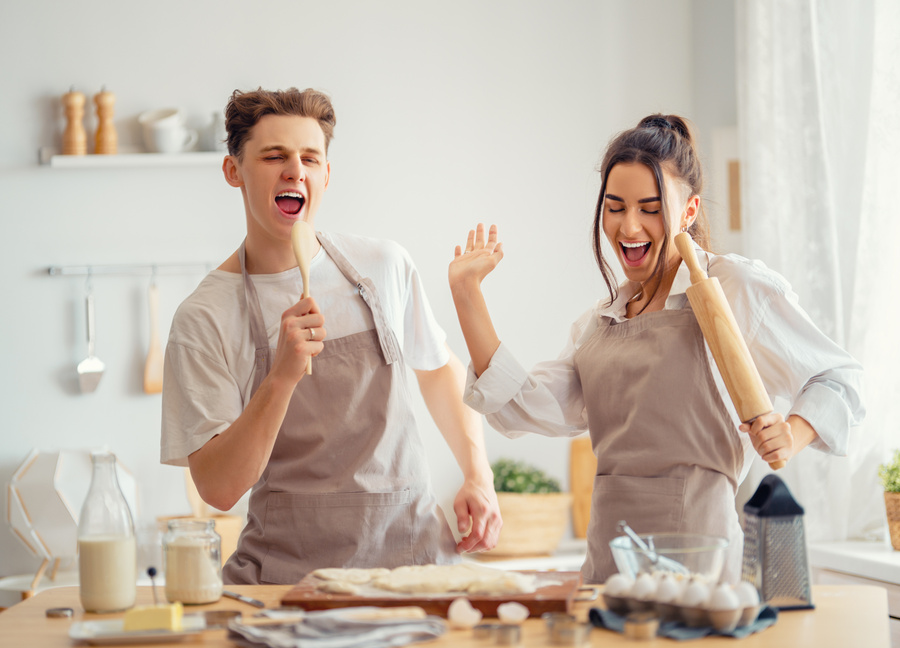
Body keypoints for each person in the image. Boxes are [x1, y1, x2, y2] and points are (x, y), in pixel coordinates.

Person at [447, 114, 864, 583]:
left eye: (650, 208)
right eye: (615, 206)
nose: (629, 226)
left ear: (689, 211)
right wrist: (467, 296)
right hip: (608, 569)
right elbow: (523, 406)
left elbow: (840, 379)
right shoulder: (599, 322)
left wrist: (794, 430)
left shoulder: (733, 287)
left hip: (700, 568)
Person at [161, 87, 501, 585]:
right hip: (287, 582)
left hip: (412, 567)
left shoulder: (382, 266)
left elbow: (438, 369)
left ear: (325, 175)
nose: (294, 170)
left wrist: (478, 473)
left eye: (309, 158)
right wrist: (280, 378)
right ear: (233, 172)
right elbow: (218, 488)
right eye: (273, 155)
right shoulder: (205, 316)